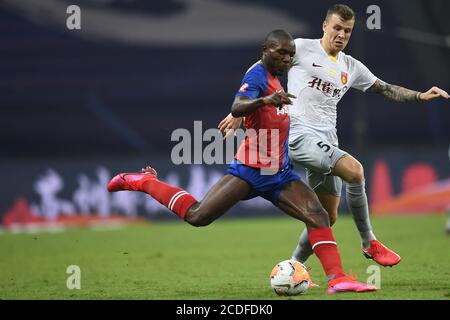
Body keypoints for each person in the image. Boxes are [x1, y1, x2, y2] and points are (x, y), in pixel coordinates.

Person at [108, 29, 376, 294]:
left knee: (318, 216)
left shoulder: (275, 77)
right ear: (265, 50)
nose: (286, 59)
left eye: (290, 55)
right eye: (281, 53)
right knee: (198, 216)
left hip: (279, 172)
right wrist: (265, 101)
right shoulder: (258, 76)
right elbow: (238, 105)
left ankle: (338, 279)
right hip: (250, 171)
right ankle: (145, 182)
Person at [218, 4, 449, 268]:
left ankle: (294, 267)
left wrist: (421, 95)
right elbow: (263, 65)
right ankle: (369, 242)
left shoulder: (351, 67)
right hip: (297, 135)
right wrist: (239, 110)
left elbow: (385, 89)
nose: (341, 34)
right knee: (355, 171)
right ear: (325, 26)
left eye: (347, 31)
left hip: (326, 140)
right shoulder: (302, 48)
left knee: (326, 216)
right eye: (337, 28)